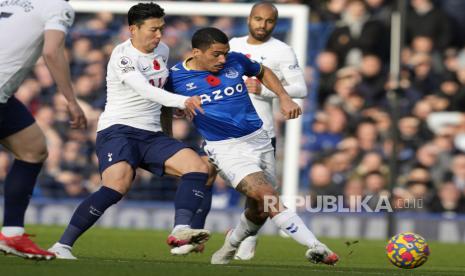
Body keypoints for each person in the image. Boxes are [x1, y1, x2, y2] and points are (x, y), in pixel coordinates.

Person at [49, 2, 210, 260]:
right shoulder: (122, 55)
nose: (159, 35)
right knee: (117, 186)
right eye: (153, 29)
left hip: (151, 134)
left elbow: (160, 88)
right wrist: (182, 102)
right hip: (119, 130)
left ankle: (181, 229)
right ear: (133, 29)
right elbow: (144, 89)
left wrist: (173, 104)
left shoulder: (163, 51)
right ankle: (62, 245)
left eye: (161, 29)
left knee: (198, 167)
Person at [166, 27, 339, 265]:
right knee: (268, 196)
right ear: (196, 52)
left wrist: (284, 96)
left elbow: (263, 71)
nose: (223, 60)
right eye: (216, 54)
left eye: (225, 53)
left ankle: (230, 246)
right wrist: (173, 114)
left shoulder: (235, 60)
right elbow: (162, 103)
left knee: (260, 209)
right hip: (226, 148)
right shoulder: (175, 77)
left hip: (259, 139)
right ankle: (316, 246)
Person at [0, 0, 87, 260]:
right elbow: (52, 51)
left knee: (33, 149)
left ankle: (13, 234)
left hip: (4, 97)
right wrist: (71, 100)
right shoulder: (57, 6)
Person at [228, 2, 308, 260]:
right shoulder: (232, 45)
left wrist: (263, 90)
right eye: (258, 19)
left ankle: (249, 236)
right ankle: (188, 230)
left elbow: (300, 88)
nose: (262, 25)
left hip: (262, 132)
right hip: (225, 128)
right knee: (203, 174)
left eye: (269, 21)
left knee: (260, 193)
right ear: (249, 19)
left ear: (275, 23)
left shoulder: (282, 51)